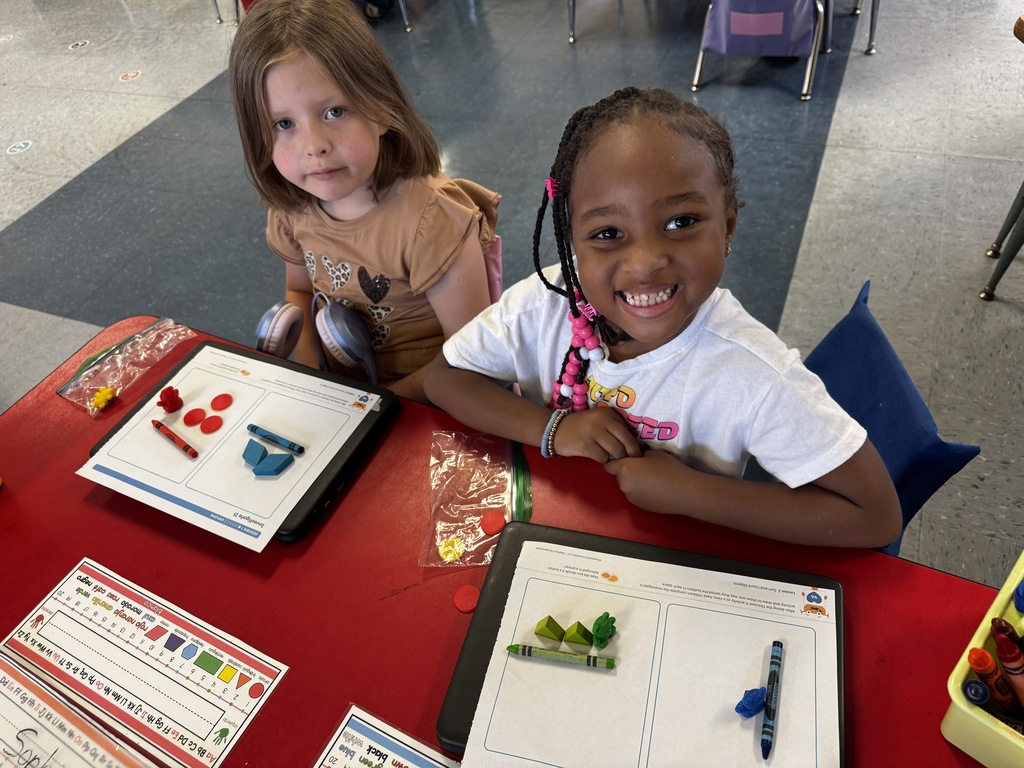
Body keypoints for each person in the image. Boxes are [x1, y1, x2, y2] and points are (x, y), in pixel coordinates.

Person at [424, 87, 902, 548]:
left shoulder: (753, 374)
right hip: (544, 536)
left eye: (681, 223)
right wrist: (554, 430)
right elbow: (445, 378)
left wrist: (691, 493)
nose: (646, 262)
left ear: (728, 226)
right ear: (572, 241)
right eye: (608, 232)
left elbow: (875, 516)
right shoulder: (543, 306)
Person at [229, 0, 499, 403]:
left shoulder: (431, 220)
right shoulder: (292, 207)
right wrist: (312, 379)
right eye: (283, 124)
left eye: (335, 111)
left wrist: (372, 404)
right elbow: (300, 293)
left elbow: (473, 358)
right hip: (348, 397)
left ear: (381, 107)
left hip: (431, 402)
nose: (314, 146)